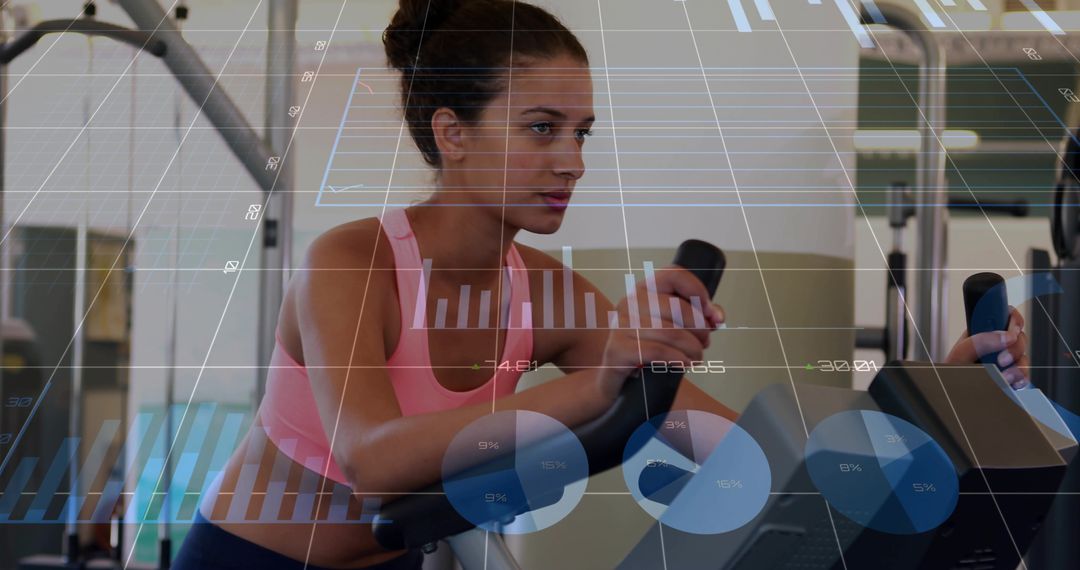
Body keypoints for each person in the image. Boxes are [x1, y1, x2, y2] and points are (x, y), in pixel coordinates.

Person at [173, 0, 1029, 568]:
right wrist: (595, 385)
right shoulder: (352, 264)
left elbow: (749, 451)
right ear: (453, 133)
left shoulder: (544, 291)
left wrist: (935, 405)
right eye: (541, 129)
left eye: (581, 132)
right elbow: (372, 460)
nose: (571, 161)